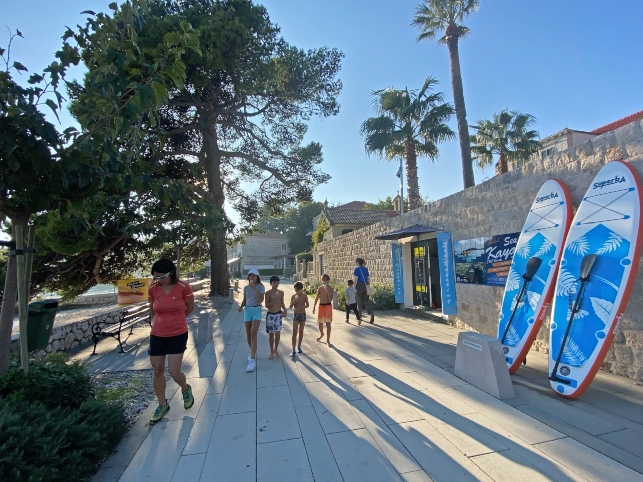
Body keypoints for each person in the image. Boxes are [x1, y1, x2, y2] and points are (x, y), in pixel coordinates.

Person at [148, 259, 195, 424]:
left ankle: (185, 388)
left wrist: (177, 320)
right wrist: (159, 324)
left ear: (172, 273)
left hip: (178, 333)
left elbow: (190, 307)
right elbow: (152, 308)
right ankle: (162, 404)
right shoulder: (153, 289)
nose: (159, 279)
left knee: (174, 371)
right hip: (158, 334)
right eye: (156, 276)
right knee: (157, 370)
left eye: (162, 276)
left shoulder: (183, 287)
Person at [238, 268, 265, 372]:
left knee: (254, 333)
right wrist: (241, 307)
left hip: (256, 310)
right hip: (247, 311)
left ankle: (252, 359)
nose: (251, 277)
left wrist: (255, 289)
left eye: (253, 275)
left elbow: (261, 300)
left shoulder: (260, 287)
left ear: (257, 276)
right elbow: (245, 300)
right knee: (248, 334)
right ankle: (252, 351)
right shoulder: (245, 288)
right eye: (250, 275)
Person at [265, 275, 287, 360]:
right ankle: (271, 351)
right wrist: (274, 300)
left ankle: (276, 349)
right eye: (274, 282)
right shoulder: (268, 293)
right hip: (271, 315)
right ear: (271, 283)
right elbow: (267, 305)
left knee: (277, 333)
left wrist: (285, 310)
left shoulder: (281, 292)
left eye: (277, 282)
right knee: (271, 335)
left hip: (278, 314)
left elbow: (282, 303)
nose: (276, 284)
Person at [312, 274, 334, 346]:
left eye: (326, 280)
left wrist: (327, 292)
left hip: (328, 306)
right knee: (320, 323)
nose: (324, 282)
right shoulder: (320, 288)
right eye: (323, 280)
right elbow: (316, 297)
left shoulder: (331, 289)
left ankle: (328, 340)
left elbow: (330, 299)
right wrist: (314, 307)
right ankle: (322, 334)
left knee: (328, 323)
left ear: (328, 280)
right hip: (321, 306)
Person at [289, 281, 309, 357]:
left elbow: (307, 304)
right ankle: (293, 349)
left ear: (301, 289)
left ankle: (299, 346)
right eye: (296, 290)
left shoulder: (304, 296)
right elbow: (290, 307)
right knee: (294, 332)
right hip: (296, 315)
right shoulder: (293, 296)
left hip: (303, 314)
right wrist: (293, 302)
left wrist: (305, 306)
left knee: (301, 331)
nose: (297, 292)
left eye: (299, 290)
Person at [353, 258, 375, 324]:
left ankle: (359, 318)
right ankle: (371, 314)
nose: (356, 263)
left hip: (359, 286)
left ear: (358, 262)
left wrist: (354, 288)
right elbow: (368, 279)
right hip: (366, 285)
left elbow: (355, 280)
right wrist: (368, 287)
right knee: (367, 301)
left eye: (356, 262)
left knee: (359, 302)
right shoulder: (366, 269)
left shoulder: (356, 269)